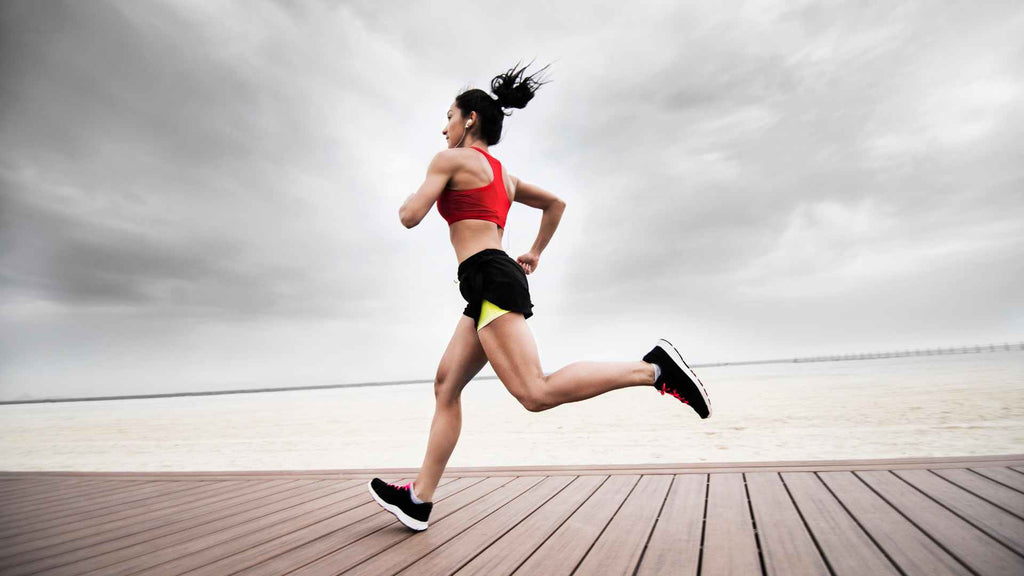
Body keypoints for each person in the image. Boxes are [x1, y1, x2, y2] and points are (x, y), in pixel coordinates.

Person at [368, 62, 711, 532]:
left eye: (448, 116)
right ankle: (420, 500)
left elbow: (410, 216)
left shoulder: (447, 160)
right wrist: (534, 252)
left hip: (488, 277)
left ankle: (653, 369)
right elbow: (556, 204)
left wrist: (414, 196)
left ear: (470, 119)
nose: (442, 126)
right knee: (447, 386)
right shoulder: (505, 176)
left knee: (535, 392)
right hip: (490, 277)